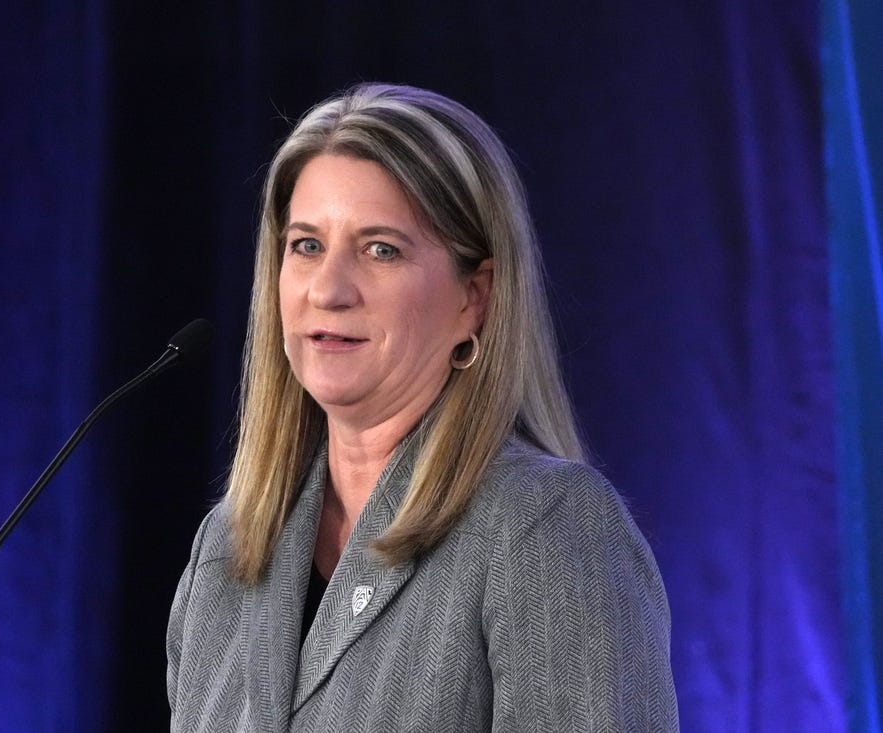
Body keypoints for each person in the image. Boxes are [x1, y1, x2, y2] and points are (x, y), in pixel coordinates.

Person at [167, 82, 678, 731]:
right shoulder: (226, 549)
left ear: (474, 297)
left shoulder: (546, 526)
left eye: (380, 248)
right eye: (306, 245)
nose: (327, 289)